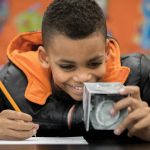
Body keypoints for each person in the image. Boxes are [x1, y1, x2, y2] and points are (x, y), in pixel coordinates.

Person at [0, 0, 150, 141]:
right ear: (44, 57)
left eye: (94, 63)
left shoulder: (140, 76)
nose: (83, 77)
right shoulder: (8, 85)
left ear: (106, 51)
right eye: (67, 66)